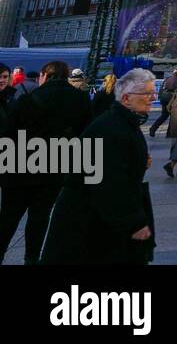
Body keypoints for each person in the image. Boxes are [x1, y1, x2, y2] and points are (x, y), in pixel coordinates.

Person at [40, 68, 157, 265]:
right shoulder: (111, 127)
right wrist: (134, 223)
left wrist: (138, 161)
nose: (153, 97)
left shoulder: (123, 122)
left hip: (98, 219)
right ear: (127, 98)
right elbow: (108, 182)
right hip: (88, 225)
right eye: (147, 94)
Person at [0, 60, 93, 264]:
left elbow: (7, 133)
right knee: (40, 217)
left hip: (19, 169)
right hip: (55, 169)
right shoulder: (81, 100)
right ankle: (32, 259)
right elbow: (86, 134)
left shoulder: (27, 100)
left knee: (8, 218)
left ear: (44, 75)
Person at [148, 68, 177, 137]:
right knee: (173, 116)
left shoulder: (167, 78)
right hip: (173, 99)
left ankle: (153, 128)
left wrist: (160, 97)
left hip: (164, 98)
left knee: (164, 115)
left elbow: (162, 88)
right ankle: (169, 133)